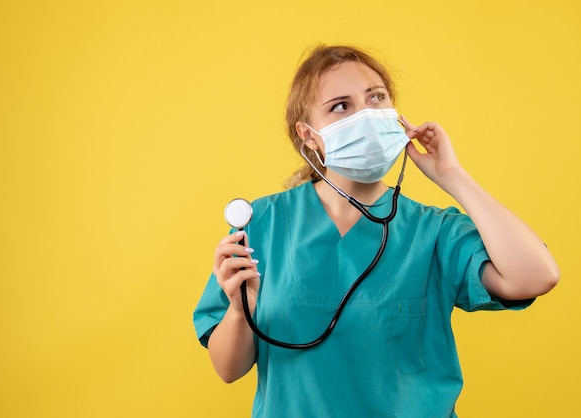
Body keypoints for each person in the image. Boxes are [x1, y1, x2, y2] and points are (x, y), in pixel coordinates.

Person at [193, 45, 559, 417]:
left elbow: (537, 276)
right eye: (341, 106)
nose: (366, 115)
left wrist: (453, 177)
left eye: (376, 98)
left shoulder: (434, 232)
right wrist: (240, 310)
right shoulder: (264, 223)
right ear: (309, 135)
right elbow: (228, 369)